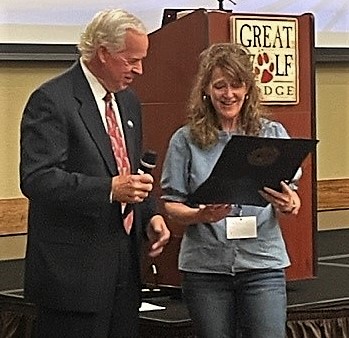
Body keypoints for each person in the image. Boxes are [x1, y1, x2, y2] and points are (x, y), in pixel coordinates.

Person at [20, 9, 170, 338]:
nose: (139, 70)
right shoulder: (52, 100)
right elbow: (37, 178)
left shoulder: (127, 103)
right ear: (103, 52)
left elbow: (128, 171)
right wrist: (108, 190)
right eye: (131, 60)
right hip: (73, 277)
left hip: (124, 270)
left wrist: (150, 216)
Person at [160, 43, 301, 338]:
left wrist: (290, 203)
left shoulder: (271, 134)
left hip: (262, 263)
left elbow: (292, 194)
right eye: (220, 86)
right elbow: (171, 205)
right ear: (206, 91)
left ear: (248, 88)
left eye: (236, 85)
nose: (228, 94)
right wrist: (200, 214)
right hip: (206, 269)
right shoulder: (185, 140)